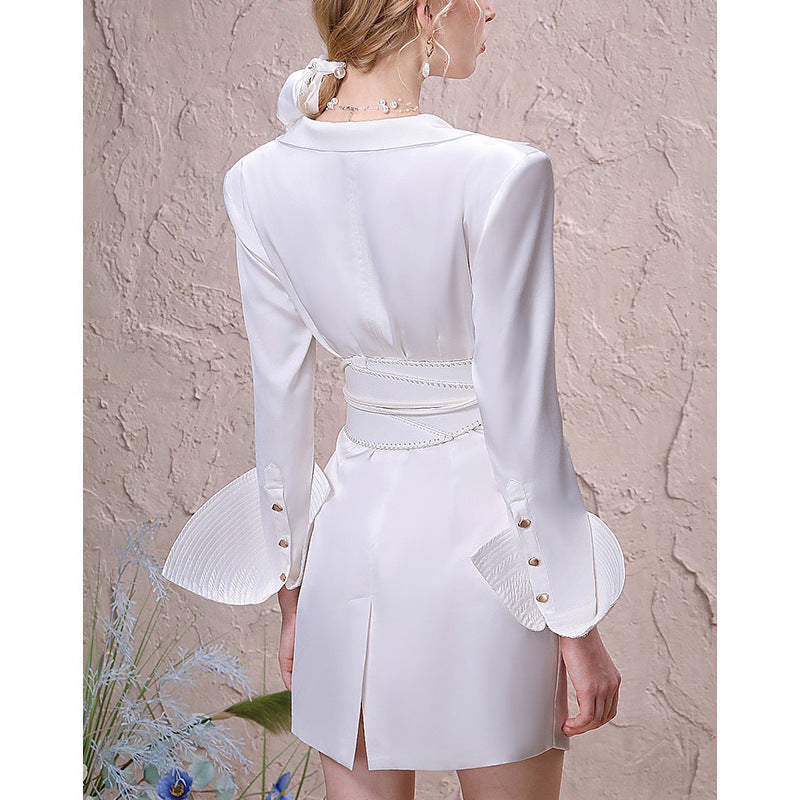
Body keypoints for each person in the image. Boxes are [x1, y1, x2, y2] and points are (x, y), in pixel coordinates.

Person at [163, 2, 626, 798]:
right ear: (423, 10)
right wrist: (573, 620)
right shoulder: (501, 173)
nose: (490, 9)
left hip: (346, 557)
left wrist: (292, 598)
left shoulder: (257, 181)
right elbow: (522, 417)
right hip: (486, 558)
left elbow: (279, 410)